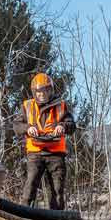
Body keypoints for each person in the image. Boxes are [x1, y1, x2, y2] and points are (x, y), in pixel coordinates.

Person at [13, 72, 76, 210]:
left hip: (56, 153)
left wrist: (62, 126)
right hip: (35, 152)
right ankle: (24, 216)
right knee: (30, 185)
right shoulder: (27, 106)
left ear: (50, 90)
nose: (42, 94)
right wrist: (28, 128)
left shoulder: (61, 105)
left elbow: (71, 125)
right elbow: (16, 125)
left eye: (45, 90)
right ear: (34, 92)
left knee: (56, 189)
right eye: (39, 91)